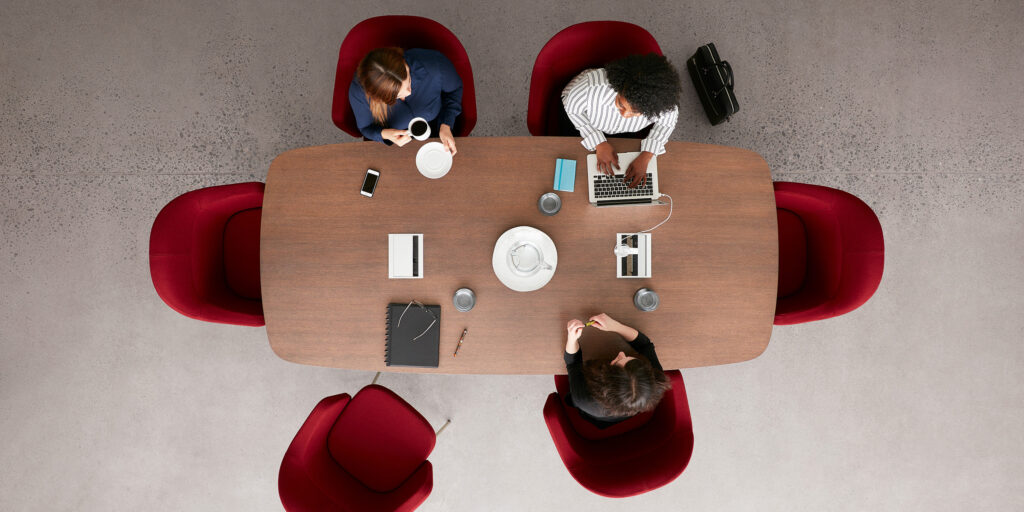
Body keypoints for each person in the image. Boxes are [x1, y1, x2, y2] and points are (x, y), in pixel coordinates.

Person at [561, 53, 682, 188]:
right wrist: (598, 142)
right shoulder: (590, 88)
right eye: (620, 104)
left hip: (620, 130)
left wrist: (647, 155)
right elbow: (572, 109)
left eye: (635, 113)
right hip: (584, 119)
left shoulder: (660, 103)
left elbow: (667, 124)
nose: (625, 115)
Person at [563, 313, 671, 428]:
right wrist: (615, 326)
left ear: (605, 376)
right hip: (623, 414)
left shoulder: (583, 397)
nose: (621, 353)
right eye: (627, 358)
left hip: (595, 416)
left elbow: (573, 363)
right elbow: (645, 345)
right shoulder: (653, 381)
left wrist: (571, 338)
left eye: (618, 361)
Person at [349, 47, 462, 154]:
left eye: (408, 81)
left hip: (439, 126)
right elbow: (365, 128)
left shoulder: (435, 65)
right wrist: (384, 134)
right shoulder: (359, 93)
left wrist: (446, 124)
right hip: (397, 146)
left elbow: (454, 90)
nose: (408, 93)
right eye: (397, 96)